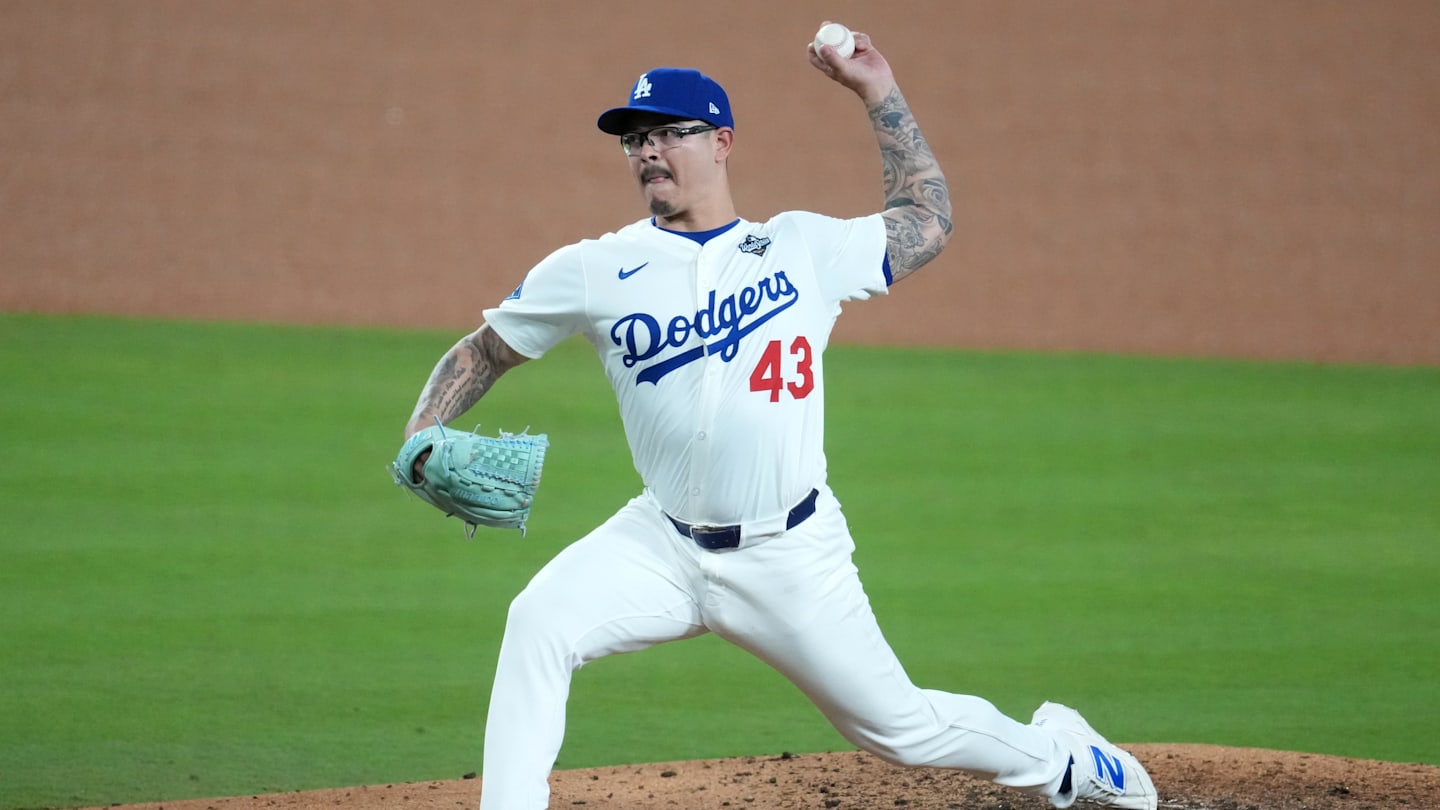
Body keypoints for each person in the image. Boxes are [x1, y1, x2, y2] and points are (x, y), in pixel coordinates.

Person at [402, 25, 1158, 810]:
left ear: (722, 141)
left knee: (902, 729)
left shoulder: (801, 248)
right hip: (660, 542)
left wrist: (878, 91)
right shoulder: (596, 268)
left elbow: (927, 218)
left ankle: (1065, 759)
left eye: (668, 132)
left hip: (789, 555)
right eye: (635, 138)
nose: (648, 150)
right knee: (538, 623)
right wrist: (419, 435)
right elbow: (485, 351)